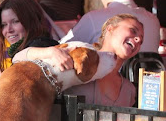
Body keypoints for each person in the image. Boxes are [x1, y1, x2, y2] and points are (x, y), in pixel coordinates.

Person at [13, 14, 144, 107]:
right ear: (110, 28)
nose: (137, 39)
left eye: (141, 40)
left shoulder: (129, 91)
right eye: (133, 31)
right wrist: (51, 52)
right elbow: (18, 58)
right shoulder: (80, 54)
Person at [0, 0, 64, 93]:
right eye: (4, 25)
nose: (9, 30)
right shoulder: (20, 50)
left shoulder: (42, 45)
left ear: (32, 20)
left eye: (15, 22)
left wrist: (0, 86)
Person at [60, 0, 159, 53]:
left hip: (105, 84)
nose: (138, 39)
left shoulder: (94, 17)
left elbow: (61, 48)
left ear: (109, 28)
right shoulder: (153, 20)